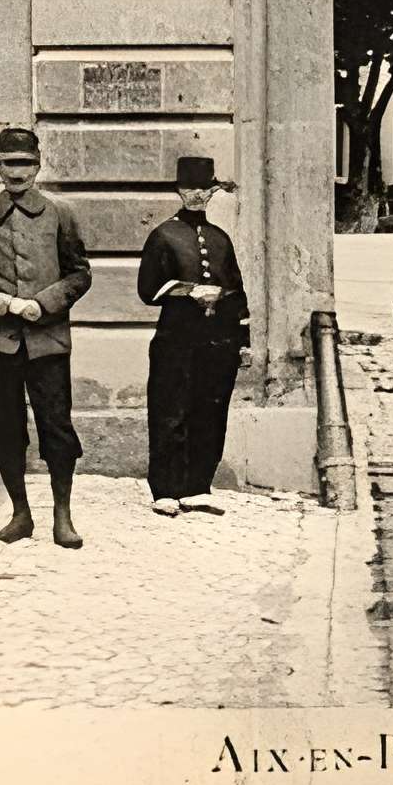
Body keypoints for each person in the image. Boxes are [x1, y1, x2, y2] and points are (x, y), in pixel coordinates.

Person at [0, 125, 91, 548]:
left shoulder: (60, 216)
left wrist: (44, 304)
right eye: (10, 164)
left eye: (26, 164)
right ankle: (21, 513)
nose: (18, 172)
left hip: (47, 342)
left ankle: (62, 517)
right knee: (5, 429)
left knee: (57, 428)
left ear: (38, 165)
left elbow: (80, 274)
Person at [136, 154, 251, 518]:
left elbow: (236, 291)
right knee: (171, 410)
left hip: (218, 342)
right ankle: (166, 489)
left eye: (204, 189)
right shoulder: (163, 236)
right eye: (190, 189)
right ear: (178, 190)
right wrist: (187, 292)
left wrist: (242, 343)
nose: (197, 196)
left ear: (212, 191)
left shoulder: (220, 239)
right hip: (176, 340)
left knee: (210, 410)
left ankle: (198, 486)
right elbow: (146, 289)